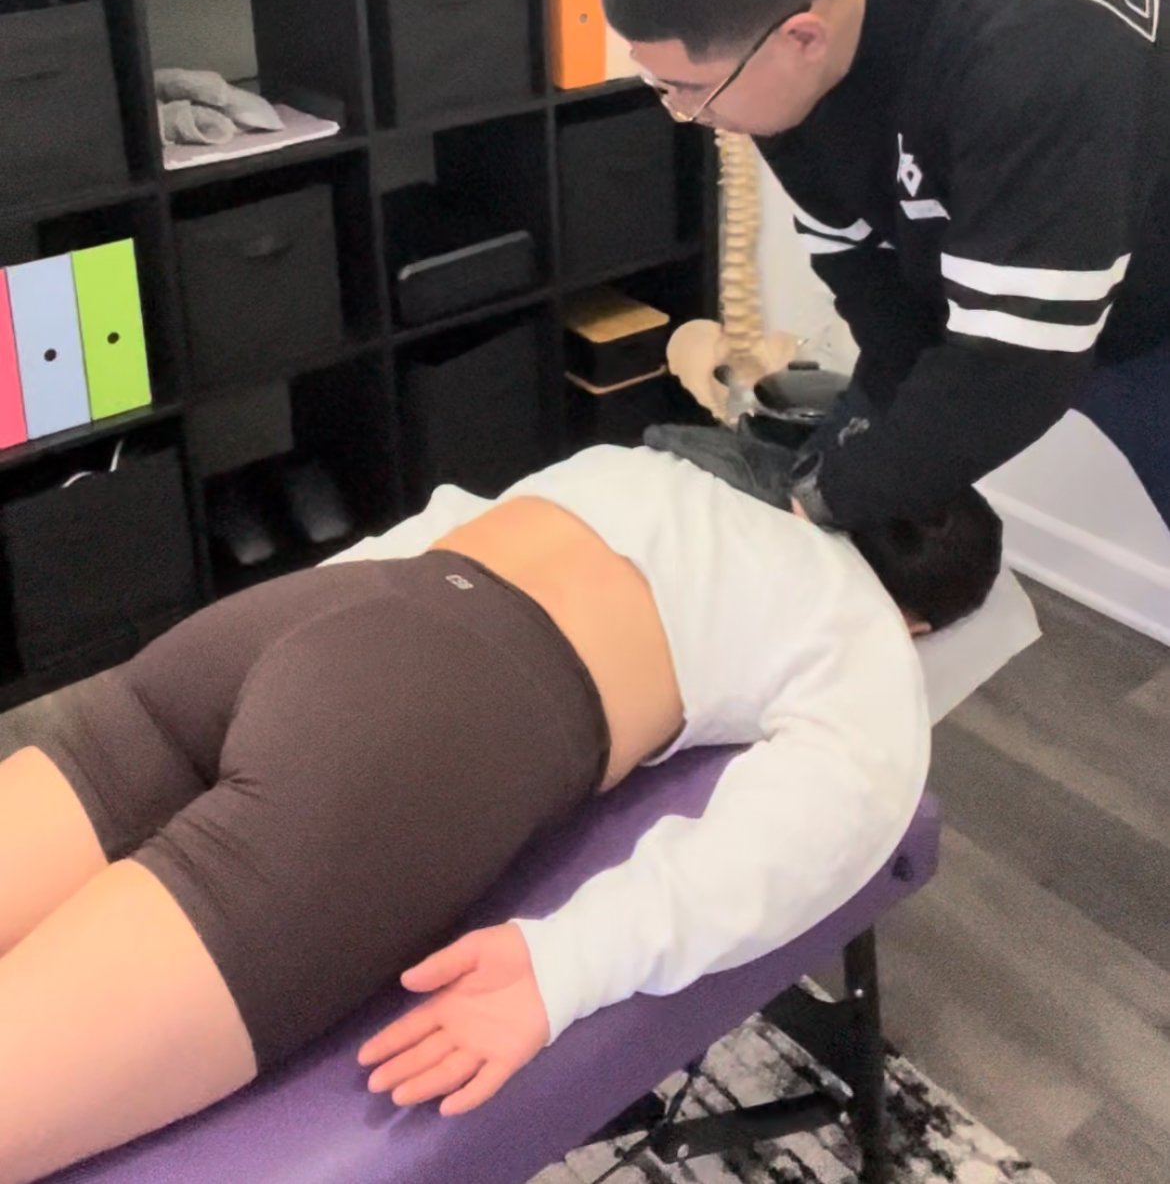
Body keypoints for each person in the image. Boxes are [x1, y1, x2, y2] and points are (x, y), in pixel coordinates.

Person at [0, 443, 998, 1181]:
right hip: (419, 727)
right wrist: (569, 963)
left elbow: (427, 525)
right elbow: (804, 839)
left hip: (284, 624)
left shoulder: (657, 476)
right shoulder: (864, 634)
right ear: (924, 622)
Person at [602, 0, 1170, 533]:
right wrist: (832, 485)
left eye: (694, 90)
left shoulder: (1032, 52)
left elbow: (1018, 369)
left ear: (802, 38)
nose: (683, 112)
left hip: (1146, 298)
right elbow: (864, 273)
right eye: (659, 84)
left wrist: (829, 500)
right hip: (1014, 290)